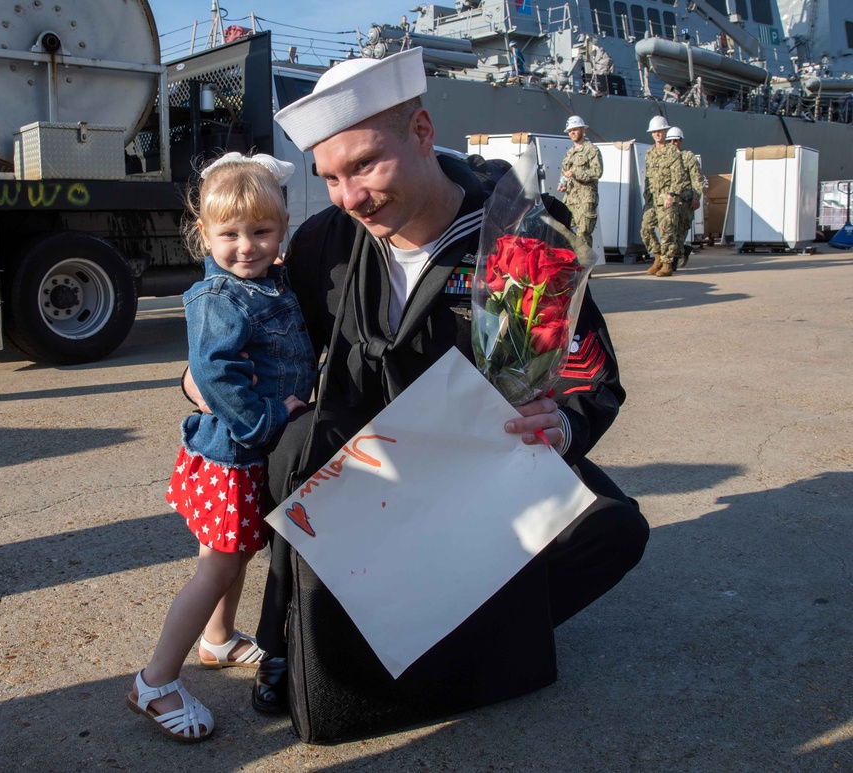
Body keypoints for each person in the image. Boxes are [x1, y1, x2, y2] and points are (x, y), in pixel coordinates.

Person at [184, 48, 649, 715]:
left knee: (609, 529)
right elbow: (269, 344)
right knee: (290, 441)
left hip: (479, 475)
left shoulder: (520, 238)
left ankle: (467, 622)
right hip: (367, 478)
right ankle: (291, 630)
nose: (350, 197)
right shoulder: (325, 244)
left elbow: (585, 371)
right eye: (331, 176)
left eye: (366, 164)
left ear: (423, 133)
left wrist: (566, 423)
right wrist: (196, 376)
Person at [127, 153, 317, 742]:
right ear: (202, 234)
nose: (245, 246)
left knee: (232, 553)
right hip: (234, 454)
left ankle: (217, 640)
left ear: (282, 227)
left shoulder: (268, 283)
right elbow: (214, 376)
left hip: (244, 454)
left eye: (260, 231)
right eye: (229, 234)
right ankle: (154, 681)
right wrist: (267, 420)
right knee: (218, 564)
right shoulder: (221, 297)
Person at [640, 115, 690, 277]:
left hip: (667, 199)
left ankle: (667, 264)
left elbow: (679, 176)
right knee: (646, 229)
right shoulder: (649, 153)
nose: (656, 134)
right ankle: (658, 257)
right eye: (654, 132)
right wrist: (646, 197)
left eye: (659, 131)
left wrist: (671, 195)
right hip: (652, 200)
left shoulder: (672, 152)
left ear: (665, 131)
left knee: (667, 231)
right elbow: (648, 177)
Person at [557, 115, 603, 247]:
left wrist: (576, 174)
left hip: (585, 199)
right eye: (570, 131)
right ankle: (572, 262)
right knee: (564, 230)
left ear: (583, 130)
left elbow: (597, 172)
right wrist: (562, 184)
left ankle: (585, 265)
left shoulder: (592, 150)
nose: (572, 133)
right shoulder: (569, 153)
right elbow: (564, 172)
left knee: (583, 233)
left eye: (575, 130)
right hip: (570, 199)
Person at [666, 126, 704, 267]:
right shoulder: (665, 159)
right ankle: (675, 256)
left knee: (680, 231)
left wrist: (696, 197)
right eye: (670, 141)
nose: (673, 144)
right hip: (670, 200)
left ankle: (676, 257)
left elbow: (696, 179)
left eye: (675, 141)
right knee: (669, 230)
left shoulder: (688, 158)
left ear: (681, 141)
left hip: (685, 201)